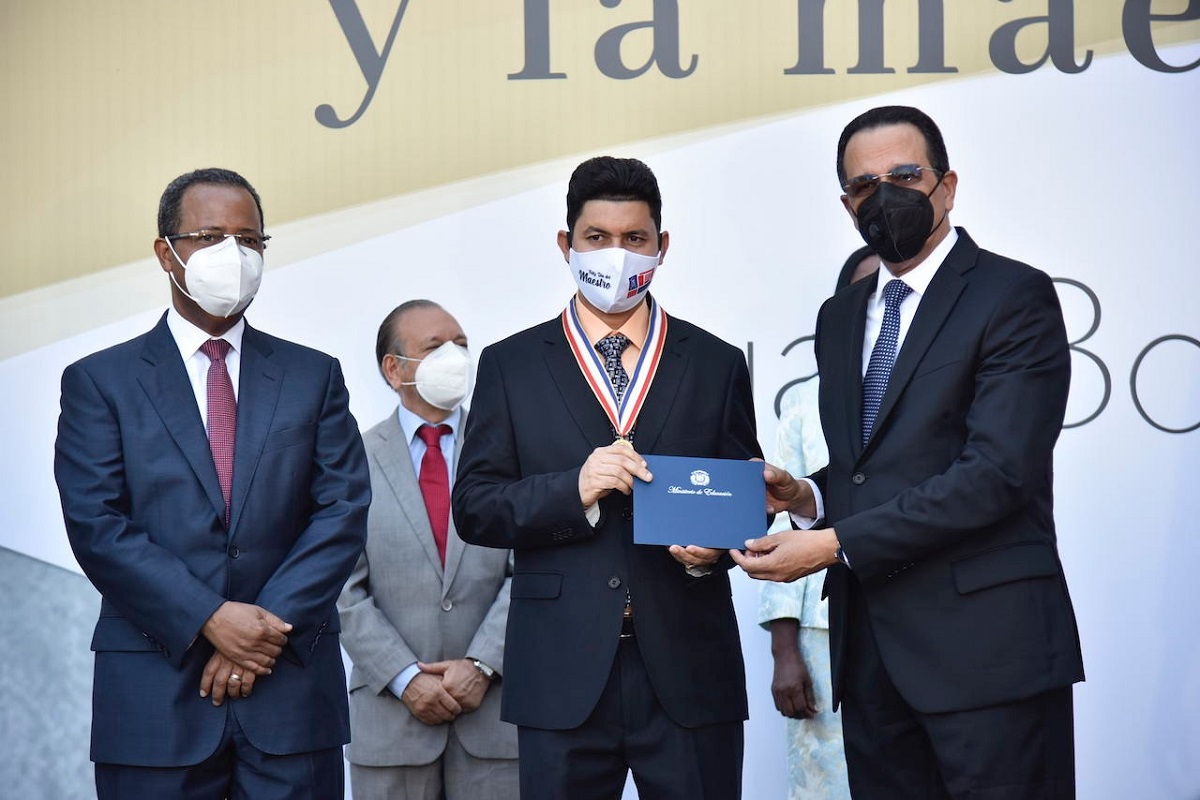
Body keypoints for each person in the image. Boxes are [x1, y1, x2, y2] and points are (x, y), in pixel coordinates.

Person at [733, 106, 1084, 799]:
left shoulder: (1012, 295)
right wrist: (806, 498)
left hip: (990, 656)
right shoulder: (840, 317)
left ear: (947, 187)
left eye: (905, 176)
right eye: (865, 186)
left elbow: (996, 474)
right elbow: (876, 467)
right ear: (846, 205)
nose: (884, 196)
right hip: (871, 659)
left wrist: (833, 544)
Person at [53, 168, 371, 799]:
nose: (233, 255)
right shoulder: (101, 382)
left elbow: (342, 510)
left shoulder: (314, 376)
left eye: (250, 240)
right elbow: (97, 524)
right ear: (165, 251)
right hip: (154, 699)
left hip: (290, 697)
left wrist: (258, 631)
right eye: (208, 235)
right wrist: (209, 618)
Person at [452, 156, 761, 799]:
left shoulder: (715, 362)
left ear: (661, 246)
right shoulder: (511, 365)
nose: (616, 256)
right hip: (559, 672)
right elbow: (476, 507)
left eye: (634, 239)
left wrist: (714, 554)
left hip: (688, 668)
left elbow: (743, 500)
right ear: (566, 245)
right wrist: (574, 489)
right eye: (597, 239)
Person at [338, 300, 519, 800]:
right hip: (388, 728)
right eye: (435, 347)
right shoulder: (350, 459)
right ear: (393, 369)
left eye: (461, 345)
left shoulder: (507, 454)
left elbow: (530, 570)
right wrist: (402, 676)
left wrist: (481, 664)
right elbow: (340, 585)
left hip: (496, 726)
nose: (454, 357)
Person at [758, 246, 877, 800]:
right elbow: (780, 518)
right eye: (868, 290)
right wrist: (786, 652)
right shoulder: (806, 400)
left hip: (914, 619)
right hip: (823, 633)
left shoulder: (935, 389)